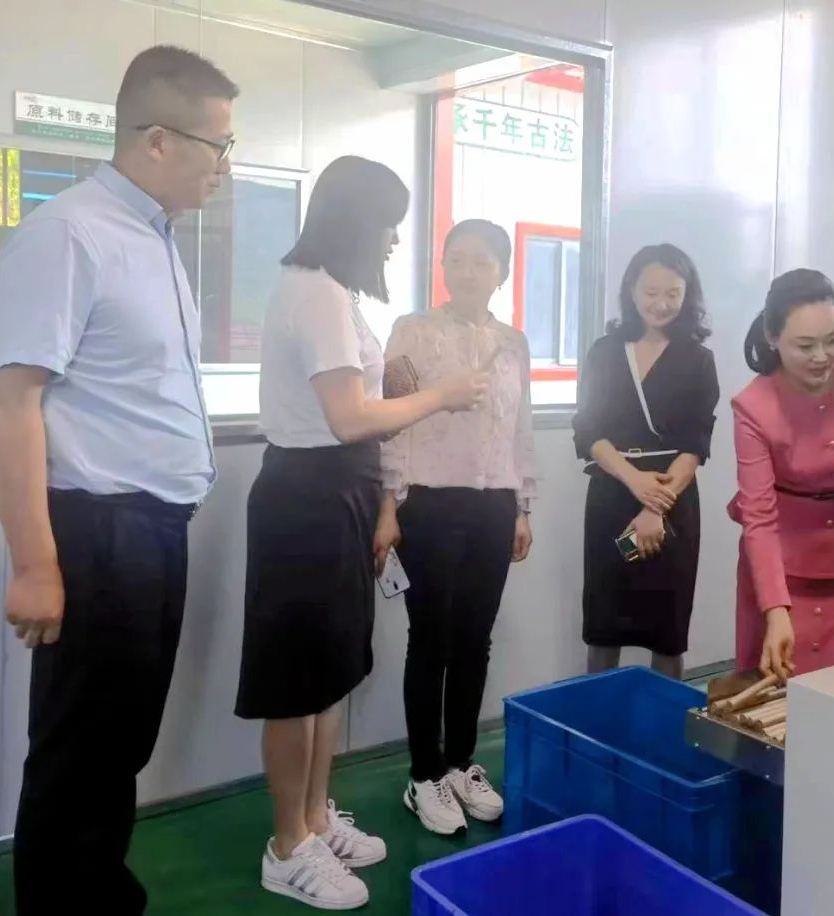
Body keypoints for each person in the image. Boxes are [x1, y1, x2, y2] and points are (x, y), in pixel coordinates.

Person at [0, 46, 238, 915]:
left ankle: (99, 894)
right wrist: (34, 565)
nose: (224, 166)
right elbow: (9, 401)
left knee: (119, 744)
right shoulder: (69, 234)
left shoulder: (155, 239)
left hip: (154, 531)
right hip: (97, 534)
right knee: (79, 752)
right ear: (157, 140)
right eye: (217, 145)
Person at [235, 156, 486, 910]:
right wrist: (440, 396)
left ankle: (315, 820)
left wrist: (395, 391)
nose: (393, 240)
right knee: (296, 681)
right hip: (306, 499)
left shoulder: (334, 292)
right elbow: (347, 418)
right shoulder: (313, 292)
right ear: (356, 220)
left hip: (338, 488)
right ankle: (287, 846)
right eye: (388, 225)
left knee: (331, 669)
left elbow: (356, 402)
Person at [374, 219, 536, 836]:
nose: (467, 271)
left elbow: (520, 430)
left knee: (475, 639)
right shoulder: (412, 331)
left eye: (482, 261)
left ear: (502, 272)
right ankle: (424, 774)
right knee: (431, 639)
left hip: (494, 506)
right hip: (429, 505)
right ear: (442, 266)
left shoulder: (514, 343)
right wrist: (389, 505)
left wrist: (522, 506)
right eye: (457, 259)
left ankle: (462, 763)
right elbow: (393, 423)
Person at [729, 268, 834, 681]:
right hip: (783, 574)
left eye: (832, 340)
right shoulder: (753, 407)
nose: (822, 356)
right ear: (773, 338)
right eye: (805, 345)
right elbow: (759, 517)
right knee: (783, 690)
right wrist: (776, 610)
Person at [572, 244, 720, 681]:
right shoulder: (604, 351)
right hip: (612, 493)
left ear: (687, 295)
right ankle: (600, 716)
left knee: (666, 629)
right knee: (603, 625)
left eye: (673, 293)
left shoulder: (698, 358)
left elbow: (695, 442)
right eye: (651, 292)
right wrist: (634, 481)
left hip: (672, 499)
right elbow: (588, 430)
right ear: (631, 291)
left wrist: (655, 505)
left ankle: (664, 719)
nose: (661, 303)